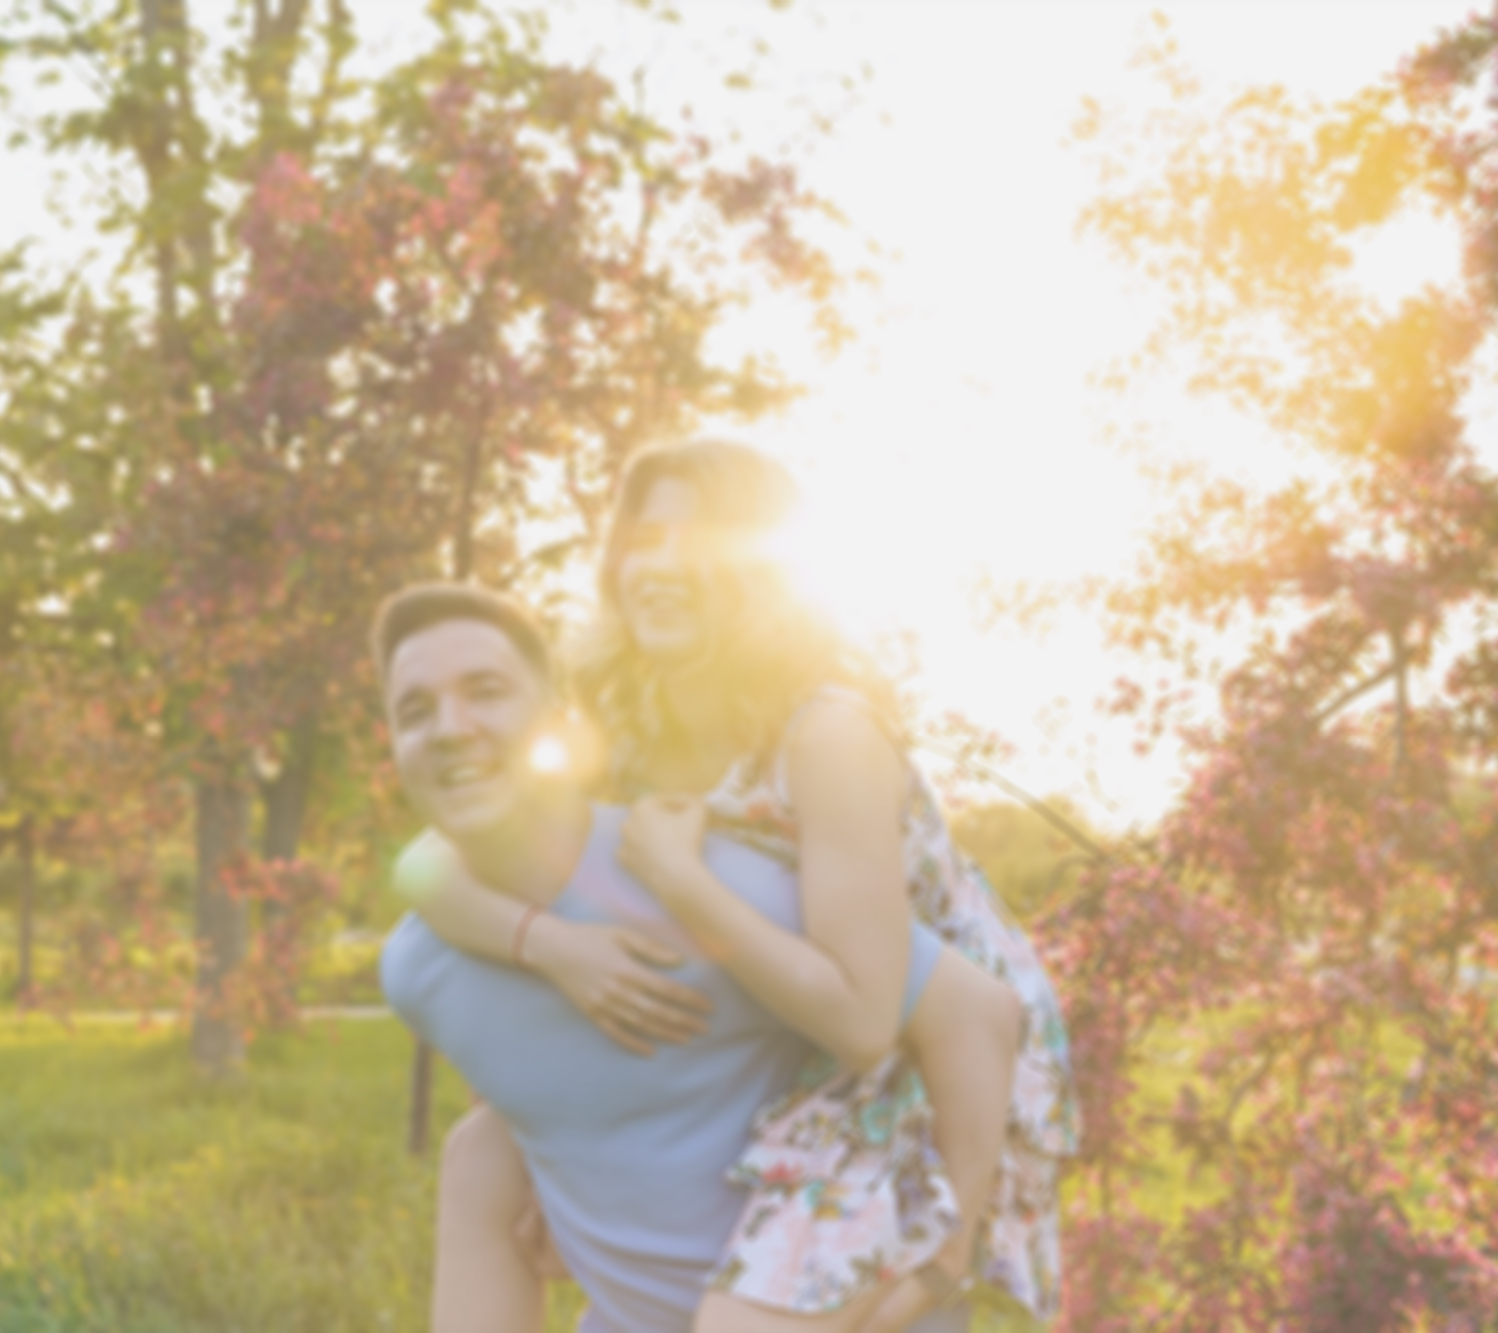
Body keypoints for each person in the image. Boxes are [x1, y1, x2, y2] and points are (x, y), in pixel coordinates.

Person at [418, 440, 1078, 1330]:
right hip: (773, 1019)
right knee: (481, 1154)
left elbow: (867, 1023)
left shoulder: (827, 733)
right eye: (643, 540)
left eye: (700, 545)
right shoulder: (621, 718)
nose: (659, 567)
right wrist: (556, 951)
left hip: (922, 1068)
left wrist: (682, 880)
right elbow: (424, 866)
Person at [376, 584, 979, 1332]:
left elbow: (975, 1010)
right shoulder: (420, 970)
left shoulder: (698, 879)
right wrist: (549, 950)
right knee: (482, 1153)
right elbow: (520, 1064)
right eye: (415, 711)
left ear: (558, 722)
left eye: (486, 692)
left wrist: (949, 1257)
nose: (450, 728)